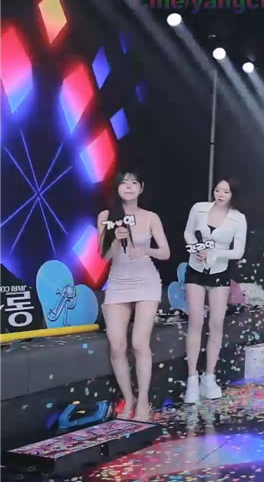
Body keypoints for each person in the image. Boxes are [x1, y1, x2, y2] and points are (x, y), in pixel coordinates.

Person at [98, 171, 170, 421]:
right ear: (117, 188)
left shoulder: (150, 217)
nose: (128, 187)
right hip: (118, 283)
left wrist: (145, 249)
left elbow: (165, 253)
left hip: (146, 282)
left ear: (141, 188)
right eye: (123, 183)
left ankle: (144, 400)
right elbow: (103, 256)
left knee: (139, 343)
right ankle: (129, 398)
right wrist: (115, 241)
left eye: (133, 183)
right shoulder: (106, 217)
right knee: (117, 345)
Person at [182, 177, 247, 404]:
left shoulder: (238, 218)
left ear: (232, 194)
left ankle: (209, 377)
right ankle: (192, 379)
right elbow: (188, 233)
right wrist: (197, 249)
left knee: (216, 323)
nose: (220, 195)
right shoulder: (199, 208)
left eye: (226, 192)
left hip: (220, 271)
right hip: (195, 269)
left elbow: (238, 251)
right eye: (218, 190)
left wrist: (216, 253)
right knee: (196, 321)